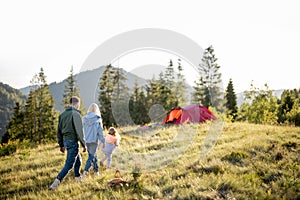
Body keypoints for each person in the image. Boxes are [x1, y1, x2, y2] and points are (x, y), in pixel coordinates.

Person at [49, 96, 86, 190]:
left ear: (69, 104)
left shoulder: (62, 115)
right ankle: (55, 184)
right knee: (69, 164)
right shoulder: (76, 115)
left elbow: (59, 131)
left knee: (78, 160)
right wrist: (84, 145)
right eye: (79, 105)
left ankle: (78, 179)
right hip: (73, 141)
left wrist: (61, 145)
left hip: (66, 141)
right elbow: (79, 132)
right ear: (77, 104)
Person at [82, 103, 105, 177]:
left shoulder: (84, 119)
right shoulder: (97, 119)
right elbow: (100, 132)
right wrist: (103, 141)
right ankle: (85, 172)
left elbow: (81, 130)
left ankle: (96, 171)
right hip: (94, 141)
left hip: (87, 141)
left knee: (93, 156)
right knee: (91, 157)